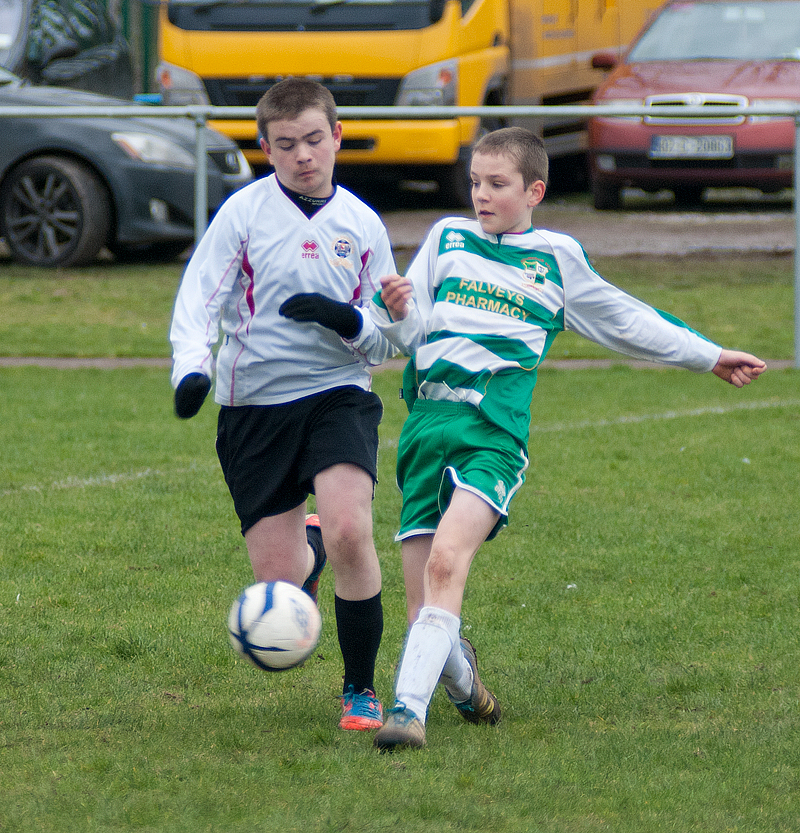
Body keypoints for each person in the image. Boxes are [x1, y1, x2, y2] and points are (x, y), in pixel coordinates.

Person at [367, 127, 767, 751]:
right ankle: (468, 687)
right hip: (423, 429)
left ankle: (404, 714)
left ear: (535, 191)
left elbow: (625, 318)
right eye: (475, 182)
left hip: (491, 434)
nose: (482, 195)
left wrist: (707, 354)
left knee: (448, 562)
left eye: (497, 184)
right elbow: (410, 334)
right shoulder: (446, 238)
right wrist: (396, 311)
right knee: (423, 609)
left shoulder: (554, 257)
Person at [169, 78, 398, 731]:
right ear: (265, 148)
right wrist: (192, 370)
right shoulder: (242, 215)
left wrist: (345, 320)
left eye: (315, 139)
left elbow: (387, 334)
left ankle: (359, 688)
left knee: (353, 527)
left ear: (338, 137)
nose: (304, 155)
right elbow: (199, 299)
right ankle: (310, 554)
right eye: (287, 144)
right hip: (254, 410)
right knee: (279, 589)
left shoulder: (361, 225)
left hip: (339, 393)